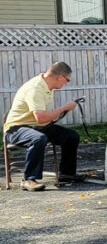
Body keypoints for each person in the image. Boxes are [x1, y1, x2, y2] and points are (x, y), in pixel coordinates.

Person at [3, 62, 82, 190]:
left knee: (71, 136)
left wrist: (63, 109)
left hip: (36, 126)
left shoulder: (47, 86)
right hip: (16, 129)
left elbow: (43, 119)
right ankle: (28, 179)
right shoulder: (35, 89)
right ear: (60, 77)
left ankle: (67, 174)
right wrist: (64, 108)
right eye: (67, 80)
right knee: (38, 138)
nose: (66, 83)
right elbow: (41, 118)